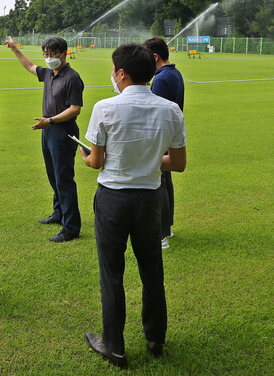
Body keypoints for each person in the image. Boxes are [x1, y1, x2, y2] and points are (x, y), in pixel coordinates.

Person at [80, 43, 187, 368]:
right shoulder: (170, 110)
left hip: (113, 199)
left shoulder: (105, 107)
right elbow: (177, 163)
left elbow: (96, 162)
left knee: (112, 272)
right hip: (150, 199)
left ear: (122, 73)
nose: (113, 76)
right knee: (151, 269)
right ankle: (156, 336)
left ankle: (114, 345)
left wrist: (85, 157)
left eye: (114, 71)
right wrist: (150, 159)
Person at [4, 36, 84, 242]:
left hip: (63, 131)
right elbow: (30, 65)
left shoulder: (72, 78)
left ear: (64, 53)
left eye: (53, 54)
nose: (49, 58)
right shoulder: (48, 74)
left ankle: (71, 227)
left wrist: (50, 120)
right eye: (46, 54)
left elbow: (75, 109)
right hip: (48, 130)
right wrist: (15, 49)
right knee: (53, 174)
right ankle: (59, 213)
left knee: (64, 178)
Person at [144, 37, 185, 250]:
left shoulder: (160, 79)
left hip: (160, 136)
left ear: (155, 57)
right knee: (166, 182)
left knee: (158, 183)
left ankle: (160, 234)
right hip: (170, 134)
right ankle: (167, 227)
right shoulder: (174, 73)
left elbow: (155, 111)